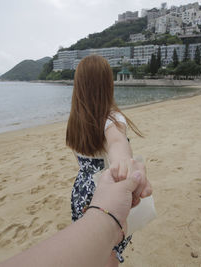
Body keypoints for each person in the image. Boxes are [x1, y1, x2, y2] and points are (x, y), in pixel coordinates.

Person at [66, 55, 146, 266]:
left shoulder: (76, 120)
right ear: (106, 84)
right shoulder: (112, 119)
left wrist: (120, 156)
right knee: (109, 251)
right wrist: (122, 161)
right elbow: (117, 142)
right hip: (104, 193)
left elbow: (115, 144)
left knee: (90, 248)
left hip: (80, 193)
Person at [0, 167, 152, 267]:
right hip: (105, 186)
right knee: (108, 247)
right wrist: (129, 166)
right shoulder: (112, 120)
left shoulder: (75, 122)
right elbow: (118, 147)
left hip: (82, 188)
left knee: (89, 239)